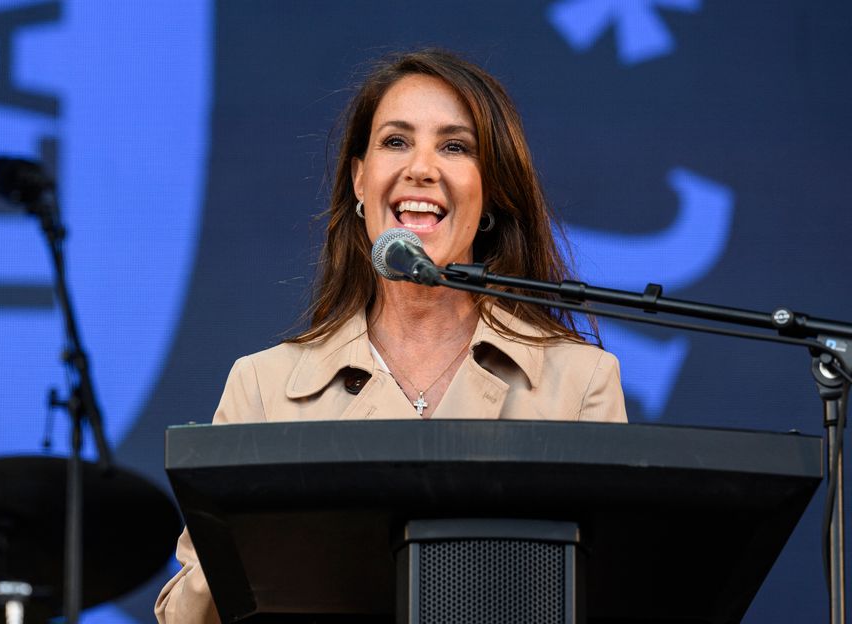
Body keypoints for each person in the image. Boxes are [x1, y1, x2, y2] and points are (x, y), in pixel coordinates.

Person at [155, 48, 627, 624]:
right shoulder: (264, 388)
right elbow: (186, 615)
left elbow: (611, 598)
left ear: (491, 194)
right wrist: (257, 539)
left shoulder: (579, 383)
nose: (421, 168)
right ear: (360, 179)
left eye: (455, 146)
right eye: (396, 142)